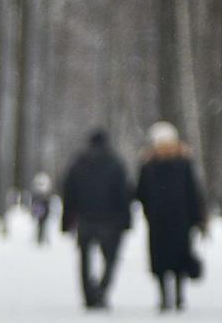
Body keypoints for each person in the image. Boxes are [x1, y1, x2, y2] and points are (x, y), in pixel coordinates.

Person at [134, 121, 207, 312]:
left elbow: (141, 193)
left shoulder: (151, 165)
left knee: (165, 260)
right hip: (176, 221)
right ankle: (175, 297)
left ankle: (167, 298)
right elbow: (193, 193)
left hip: (163, 221)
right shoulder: (180, 164)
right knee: (175, 260)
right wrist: (196, 218)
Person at [59, 128, 134, 309]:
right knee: (110, 259)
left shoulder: (79, 163)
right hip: (110, 220)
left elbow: (69, 193)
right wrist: (126, 219)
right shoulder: (115, 163)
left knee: (85, 258)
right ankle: (101, 290)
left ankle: (88, 295)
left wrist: (67, 220)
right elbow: (124, 194)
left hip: (86, 219)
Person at [27, 172, 55, 246]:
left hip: (43, 209)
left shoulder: (42, 187)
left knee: (43, 224)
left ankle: (42, 238)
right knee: (40, 223)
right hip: (40, 209)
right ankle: (40, 238)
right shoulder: (40, 188)